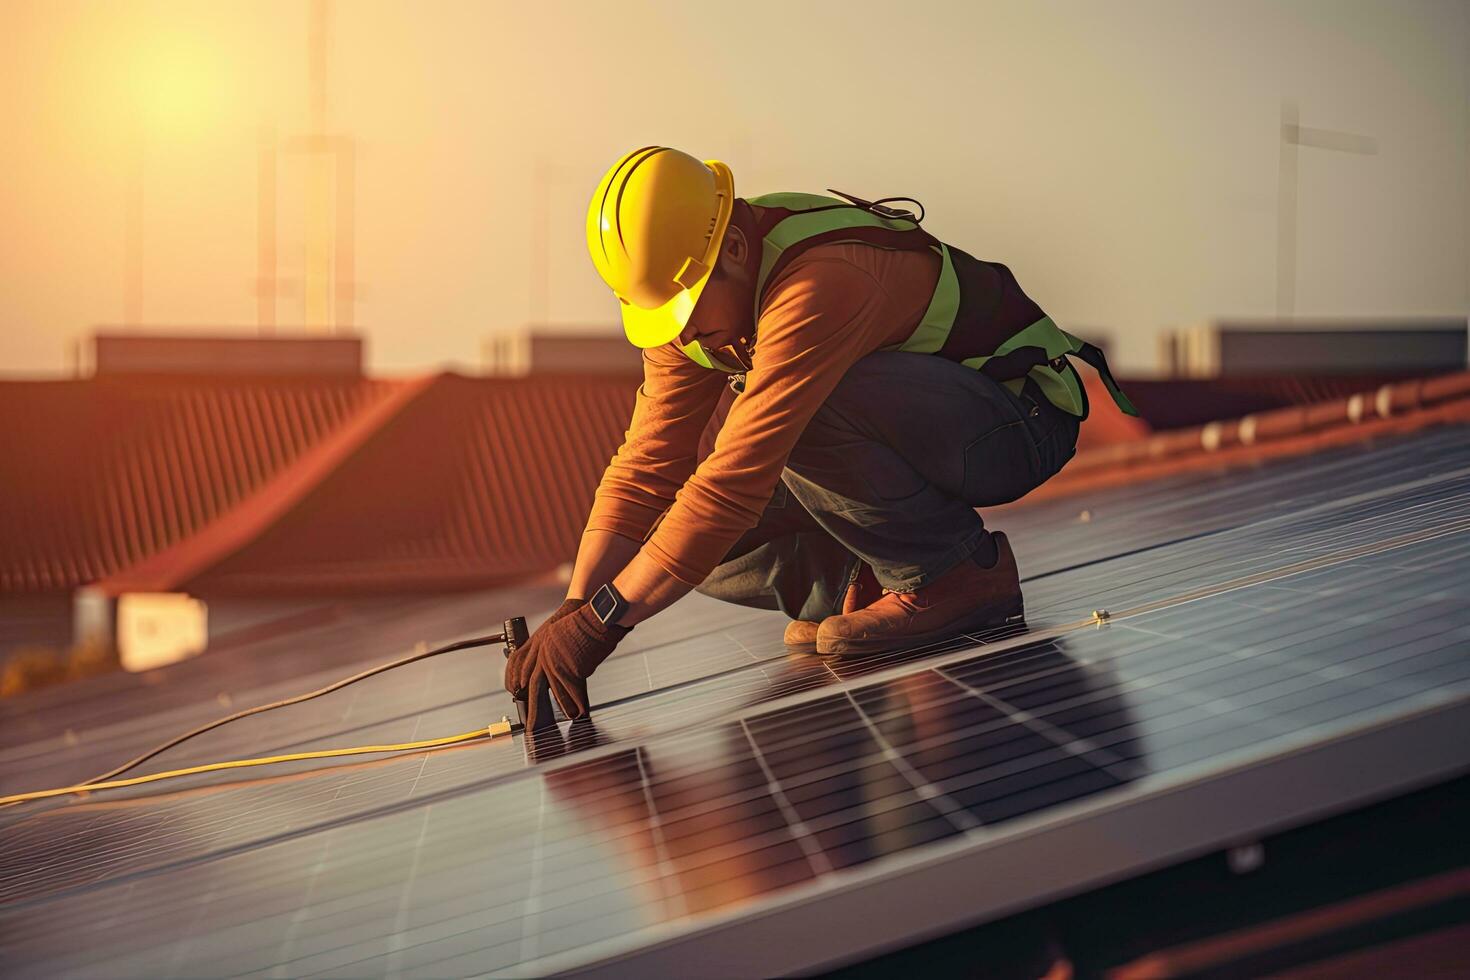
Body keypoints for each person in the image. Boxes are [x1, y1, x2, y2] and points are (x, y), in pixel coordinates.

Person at [505, 146, 1135, 728]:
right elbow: (647, 465)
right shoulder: (684, 314)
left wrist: (603, 624)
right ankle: (857, 584)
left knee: (791, 426)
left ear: (731, 252)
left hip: (1015, 422)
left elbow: (733, 482)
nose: (686, 332)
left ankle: (952, 575)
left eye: (689, 306)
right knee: (667, 542)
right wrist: (577, 603)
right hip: (919, 431)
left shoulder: (820, 280)